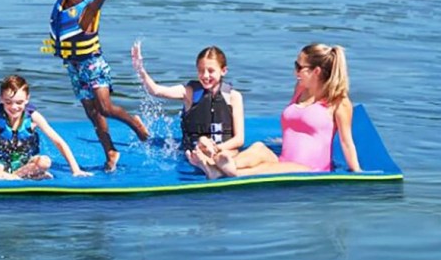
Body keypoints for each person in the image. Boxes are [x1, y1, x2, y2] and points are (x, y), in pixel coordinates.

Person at [7, 0, 149, 171]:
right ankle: (111, 151)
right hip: (73, 66)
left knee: (104, 107)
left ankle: (134, 123)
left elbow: (97, 4)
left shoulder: (89, 7)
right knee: (92, 113)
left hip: (93, 64)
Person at [200, 43, 362, 179]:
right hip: (283, 160)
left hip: (310, 170)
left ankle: (229, 172)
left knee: (265, 169)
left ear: (316, 71)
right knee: (259, 148)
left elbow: (346, 142)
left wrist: (357, 172)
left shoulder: (339, 102)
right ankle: (219, 165)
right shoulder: (300, 89)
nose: (295, 72)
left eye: (299, 67)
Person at [131, 41, 245, 170]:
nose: (205, 76)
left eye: (211, 71)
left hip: (224, 150)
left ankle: (217, 165)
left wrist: (217, 149)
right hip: (196, 152)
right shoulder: (190, 93)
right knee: (206, 152)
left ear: (223, 71)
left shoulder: (234, 97)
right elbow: (156, 90)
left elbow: (239, 139)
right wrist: (140, 70)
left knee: (226, 158)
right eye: (201, 71)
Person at [0, 75, 91, 181]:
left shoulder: (33, 117)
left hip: (26, 162)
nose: (14, 107)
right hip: (0, 163)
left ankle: (10, 176)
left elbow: (58, 142)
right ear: (1, 99)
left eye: (19, 102)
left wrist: (76, 170)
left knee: (45, 162)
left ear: (27, 99)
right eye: (8, 102)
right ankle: (22, 177)